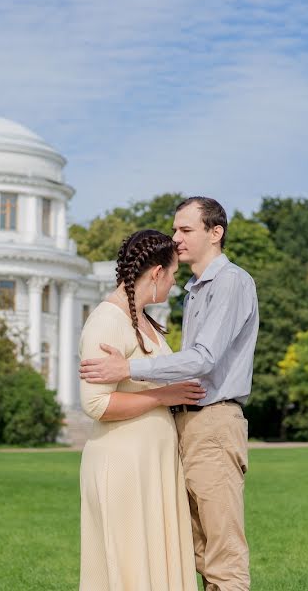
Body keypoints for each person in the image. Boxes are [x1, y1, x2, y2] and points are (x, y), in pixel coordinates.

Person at [80, 198, 259, 591]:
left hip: (213, 423)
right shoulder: (195, 290)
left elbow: (204, 358)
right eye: (175, 229)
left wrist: (129, 368)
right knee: (196, 550)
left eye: (186, 230)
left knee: (222, 554)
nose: (175, 238)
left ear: (216, 233)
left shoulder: (230, 283)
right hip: (188, 427)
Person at [79, 229, 206, 591]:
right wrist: (163, 397)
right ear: (156, 274)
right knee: (130, 567)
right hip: (124, 465)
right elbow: (96, 403)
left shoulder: (144, 320)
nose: (175, 284)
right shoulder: (107, 321)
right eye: (174, 275)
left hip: (153, 464)